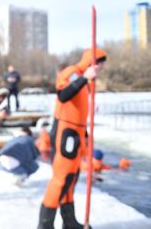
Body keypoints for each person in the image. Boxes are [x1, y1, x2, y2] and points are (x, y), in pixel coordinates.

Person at [38, 48, 107, 229]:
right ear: (93, 61)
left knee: (71, 178)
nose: (102, 68)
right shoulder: (73, 73)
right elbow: (63, 95)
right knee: (62, 178)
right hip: (65, 131)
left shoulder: (87, 79)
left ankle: (69, 222)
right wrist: (85, 77)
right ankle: (45, 225)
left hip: (77, 132)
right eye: (100, 64)